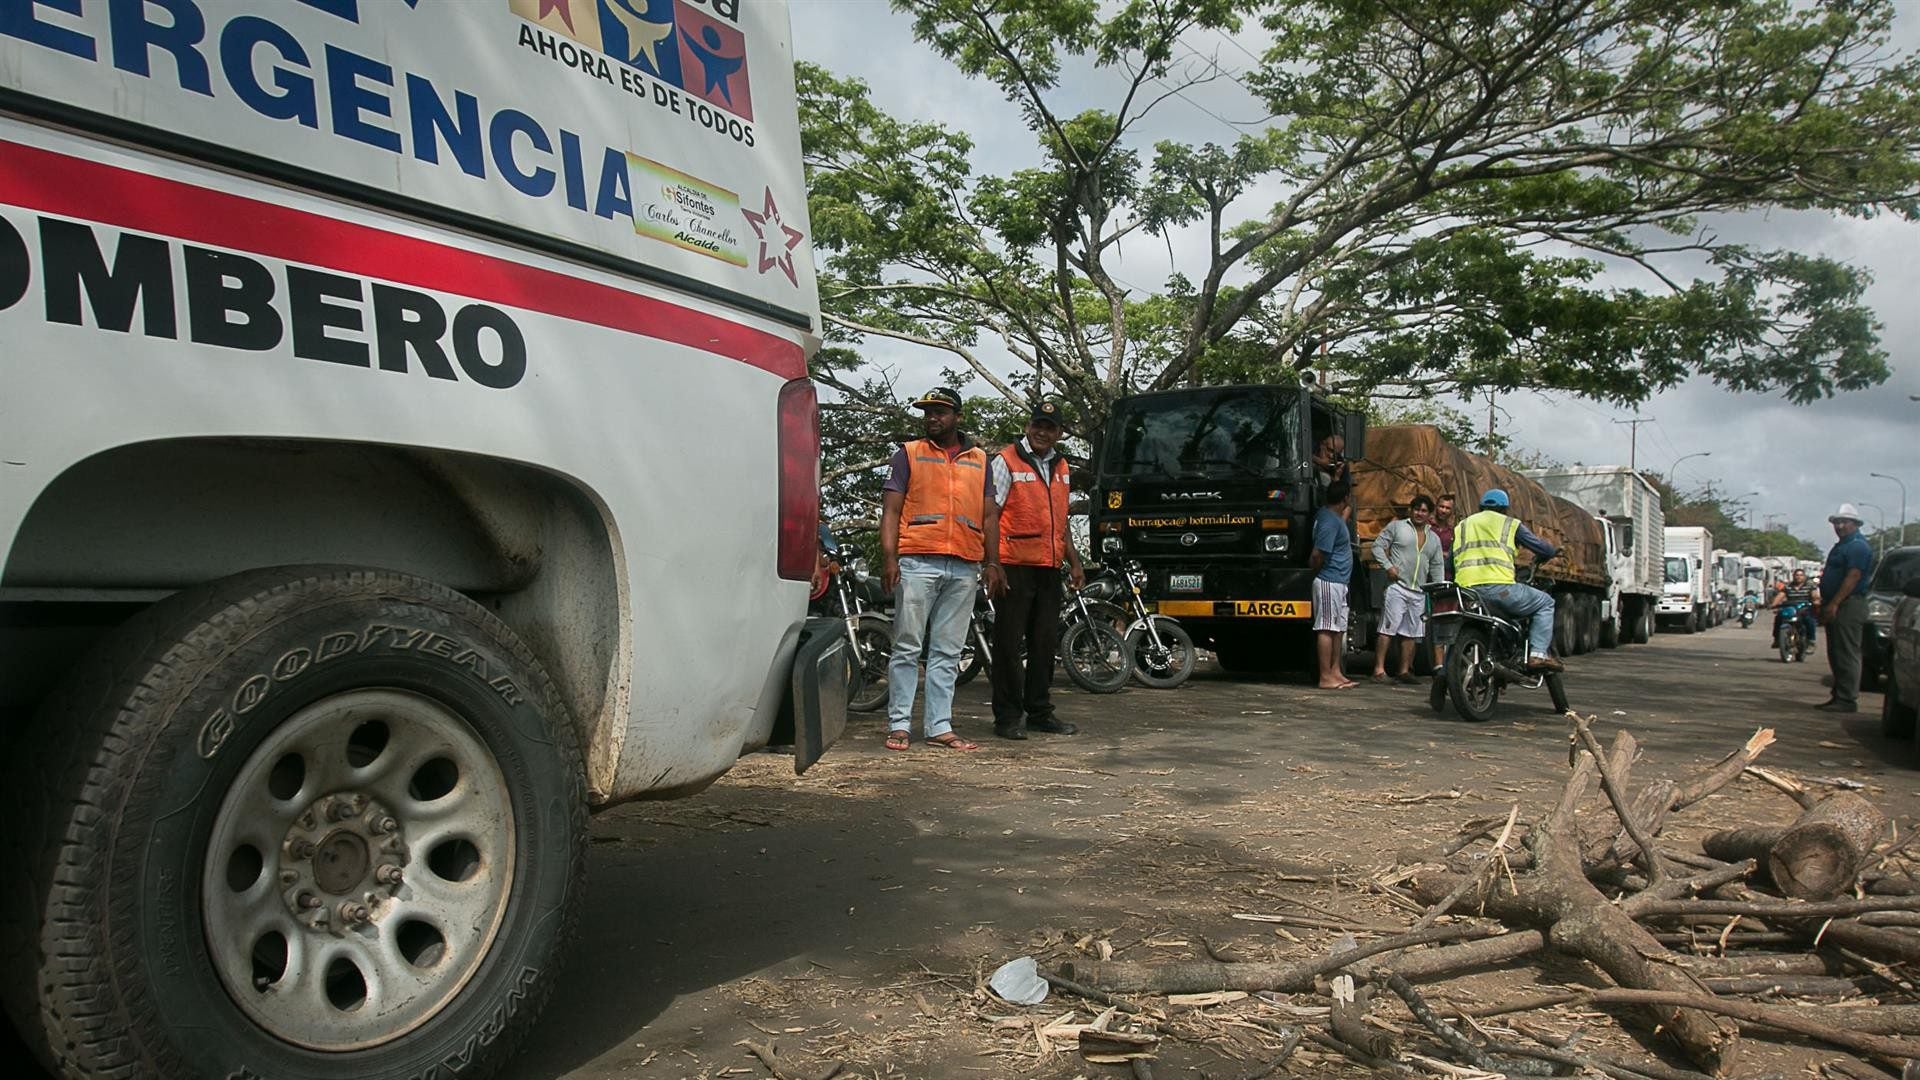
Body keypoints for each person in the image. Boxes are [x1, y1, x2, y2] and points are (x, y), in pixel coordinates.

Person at [879, 388, 990, 751]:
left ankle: (939, 726)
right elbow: (891, 511)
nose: (932, 418)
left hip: (964, 563)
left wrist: (994, 562)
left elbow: (989, 514)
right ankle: (899, 725)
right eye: (927, 412)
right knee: (908, 646)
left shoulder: (980, 459)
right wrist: (890, 558)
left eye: (940, 412)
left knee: (949, 651)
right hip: (917, 560)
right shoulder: (908, 454)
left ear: (957, 416)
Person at [982, 399, 1086, 740]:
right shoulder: (1006, 460)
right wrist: (992, 562)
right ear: (1028, 427)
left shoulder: (1062, 465)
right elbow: (990, 515)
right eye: (1038, 425)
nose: (1043, 432)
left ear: (1059, 433)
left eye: (1050, 427)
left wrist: (1074, 561)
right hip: (1014, 565)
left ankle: (1040, 711)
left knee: (1044, 643)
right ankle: (1008, 717)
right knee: (1009, 645)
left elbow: (1062, 520)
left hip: (1048, 567)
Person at [1452, 488, 1563, 673]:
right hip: (1499, 589)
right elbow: (1540, 547)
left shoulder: (1462, 525)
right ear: (1504, 509)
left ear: (1481, 507)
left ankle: (1441, 676)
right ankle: (1537, 655)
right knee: (1545, 602)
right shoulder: (1510, 524)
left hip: (1465, 592)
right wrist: (1550, 551)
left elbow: (1451, 561)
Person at [1371, 494, 1444, 683]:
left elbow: (1437, 565)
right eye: (1417, 509)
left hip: (1419, 591)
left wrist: (1438, 588)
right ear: (1411, 510)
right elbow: (1378, 546)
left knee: (1411, 633)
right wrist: (1388, 566)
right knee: (1388, 628)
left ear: (1429, 514)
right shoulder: (1397, 527)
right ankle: (1379, 670)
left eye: (1424, 511)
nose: (1420, 513)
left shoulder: (1433, 538)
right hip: (1397, 586)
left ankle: (1403, 671)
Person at [1815, 503, 1875, 713]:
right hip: (1836, 602)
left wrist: (1835, 603)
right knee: (1836, 651)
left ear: (1855, 524)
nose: (1839, 526)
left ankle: (1847, 698)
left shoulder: (1857, 546)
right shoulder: (1842, 545)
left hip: (1848, 603)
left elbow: (1853, 576)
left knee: (1847, 652)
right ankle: (1839, 695)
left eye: (1844, 522)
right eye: (1836, 522)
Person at [1310, 480, 1357, 689]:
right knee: (1326, 628)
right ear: (1345, 497)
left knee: (1338, 629)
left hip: (1340, 582)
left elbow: (1344, 514)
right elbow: (1318, 554)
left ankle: (1336, 671)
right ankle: (1325, 676)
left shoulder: (1334, 517)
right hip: (1329, 580)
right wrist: (1314, 570)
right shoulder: (1329, 521)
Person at [1428, 493, 1457, 672]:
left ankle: (1443, 665)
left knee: (1444, 621)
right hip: (1425, 580)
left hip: (1446, 581)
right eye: (1441, 506)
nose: (1443, 510)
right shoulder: (1427, 527)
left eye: (1447, 508)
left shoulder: (1453, 532)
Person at [1767, 567, 1820, 646]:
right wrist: (1773, 604)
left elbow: (1815, 595)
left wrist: (1816, 601)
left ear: (1804, 576)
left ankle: (1810, 640)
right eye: (1797, 575)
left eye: (1801, 575)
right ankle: (1777, 639)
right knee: (1779, 617)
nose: (1798, 577)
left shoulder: (1810, 586)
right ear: (1793, 576)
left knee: (1809, 619)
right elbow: (1780, 596)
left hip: (1804, 607)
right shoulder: (1788, 586)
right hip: (1790, 606)